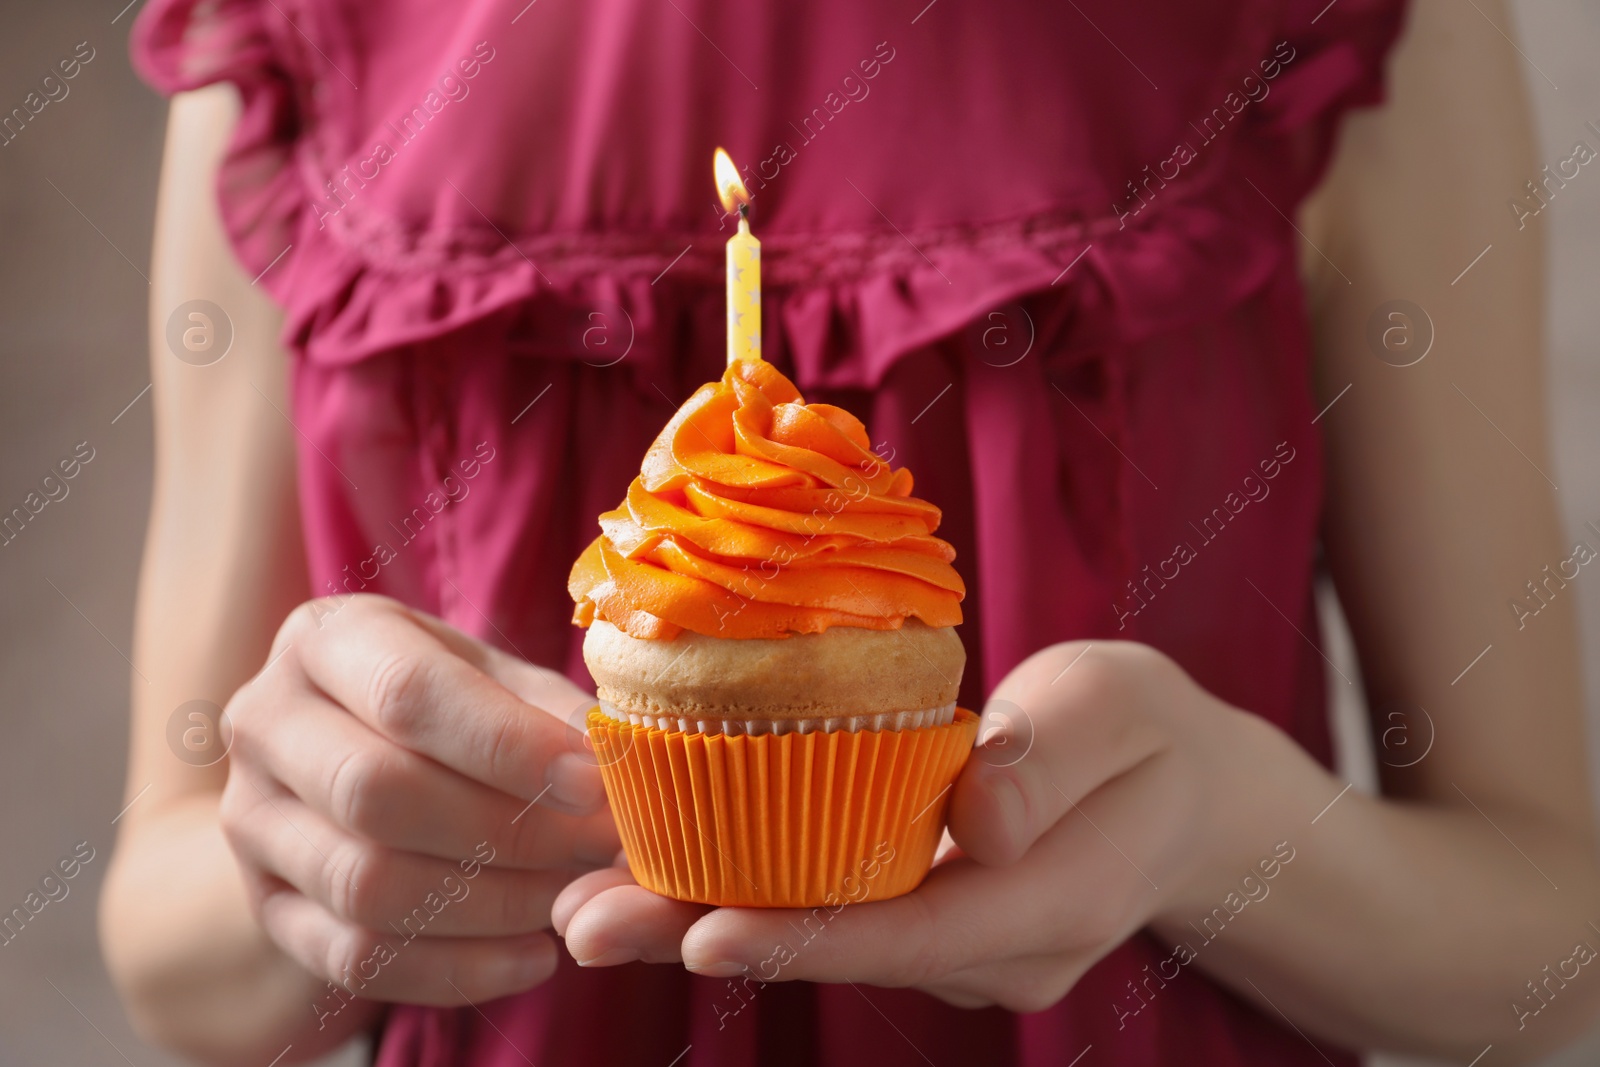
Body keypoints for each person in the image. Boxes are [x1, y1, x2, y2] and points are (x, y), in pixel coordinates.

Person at [100, 0, 1600, 1063]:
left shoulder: (1327, 25)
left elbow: (1546, 945)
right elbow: (172, 963)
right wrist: (311, 863)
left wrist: (1223, 835)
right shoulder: (287, 35)